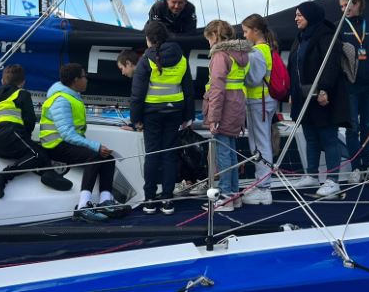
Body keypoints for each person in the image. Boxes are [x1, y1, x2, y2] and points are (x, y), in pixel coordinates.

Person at [40, 64, 129, 223]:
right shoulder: (61, 100)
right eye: (84, 77)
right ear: (76, 80)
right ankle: (82, 207)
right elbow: (67, 133)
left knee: (108, 159)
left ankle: (104, 201)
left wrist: (96, 147)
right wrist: (95, 146)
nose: (87, 80)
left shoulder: (71, 96)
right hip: (55, 145)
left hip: (65, 143)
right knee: (95, 156)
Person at [129, 22, 194, 214]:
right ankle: (167, 199)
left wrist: (135, 119)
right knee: (169, 155)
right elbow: (188, 90)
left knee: (152, 155)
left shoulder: (145, 60)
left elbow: (137, 94)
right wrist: (188, 116)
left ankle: (149, 199)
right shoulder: (181, 58)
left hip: (152, 114)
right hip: (175, 112)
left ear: (149, 39)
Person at [287, 1, 349, 198]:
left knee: (328, 137)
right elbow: (294, 67)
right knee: (310, 136)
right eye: (296, 14)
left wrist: (323, 89)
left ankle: (333, 181)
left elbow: (331, 65)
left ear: (311, 16)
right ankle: (312, 175)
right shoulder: (300, 38)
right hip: (303, 96)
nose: (296, 18)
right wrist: (293, 92)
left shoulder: (326, 36)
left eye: (300, 15)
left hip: (323, 96)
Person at [0, 65, 72, 198]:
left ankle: (48, 173)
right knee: (37, 154)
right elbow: (29, 119)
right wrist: (26, 137)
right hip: (10, 133)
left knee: (37, 152)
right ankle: (2, 177)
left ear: (2, 81)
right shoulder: (21, 93)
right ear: (23, 82)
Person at [200, 20, 251, 212]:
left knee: (223, 154)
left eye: (208, 39)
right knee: (230, 153)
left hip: (223, 110)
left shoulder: (220, 55)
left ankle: (225, 196)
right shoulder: (241, 54)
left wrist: (213, 118)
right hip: (237, 107)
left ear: (214, 36)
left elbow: (217, 89)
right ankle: (234, 195)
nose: (209, 43)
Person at [338, 0, 369, 183]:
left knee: (367, 126)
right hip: (350, 86)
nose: (344, 9)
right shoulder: (340, 27)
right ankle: (355, 167)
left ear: (357, 3)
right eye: (341, 7)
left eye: (347, 5)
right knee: (352, 127)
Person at [240, 14, 278, 205]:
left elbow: (253, 79)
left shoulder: (256, 52)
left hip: (258, 102)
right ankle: (262, 183)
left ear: (256, 31)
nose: (245, 36)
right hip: (266, 101)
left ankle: (264, 187)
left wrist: (240, 73)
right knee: (263, 141)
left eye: (246, 31)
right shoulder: (268, 49)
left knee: (259, 143)